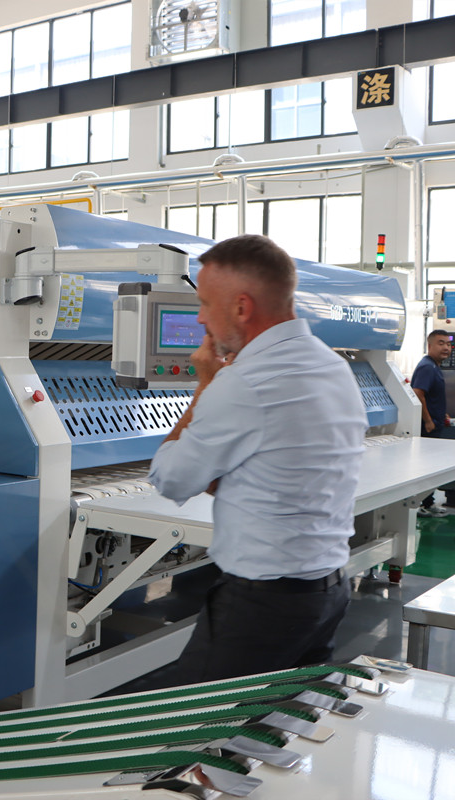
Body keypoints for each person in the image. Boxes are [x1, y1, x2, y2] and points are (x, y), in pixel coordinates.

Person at [148, 234, 367, 684]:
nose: (200, 318)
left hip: (262, 606)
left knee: (194, 718)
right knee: (279, 715)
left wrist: (206, 385)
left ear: (242, 307)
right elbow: (276, 468)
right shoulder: (333, 367)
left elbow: (171, 478)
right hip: (327, 592)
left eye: (205, 304)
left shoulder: (244, 383)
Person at [410, 329, 455, 516]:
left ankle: (428, 503)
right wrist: (428, 420)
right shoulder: (427, 367)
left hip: (435, 423)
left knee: (430, 465)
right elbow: (417, 393)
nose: (446, 347)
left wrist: (441, 413)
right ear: (429, 346)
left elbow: (430, 396)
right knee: (425, 466)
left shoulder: (434, 366)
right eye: (441, 343)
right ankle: (421, 504)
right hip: (427, 427)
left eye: (448, 344)